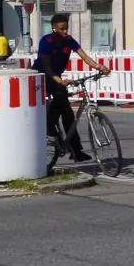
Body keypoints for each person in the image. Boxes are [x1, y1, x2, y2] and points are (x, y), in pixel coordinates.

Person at [36, 13, 108, 161]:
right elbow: (47, 67)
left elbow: (85, 57)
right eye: (62, 28)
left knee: (68, 114)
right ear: (54, 27)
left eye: (66, 28)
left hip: (56, 78)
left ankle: (76, 150)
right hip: (42, 76)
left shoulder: (68, 41)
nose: (64, 32)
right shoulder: (46, 41)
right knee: (56, 110)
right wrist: (59, 81)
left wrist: (100, 67)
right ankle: (51, 133)